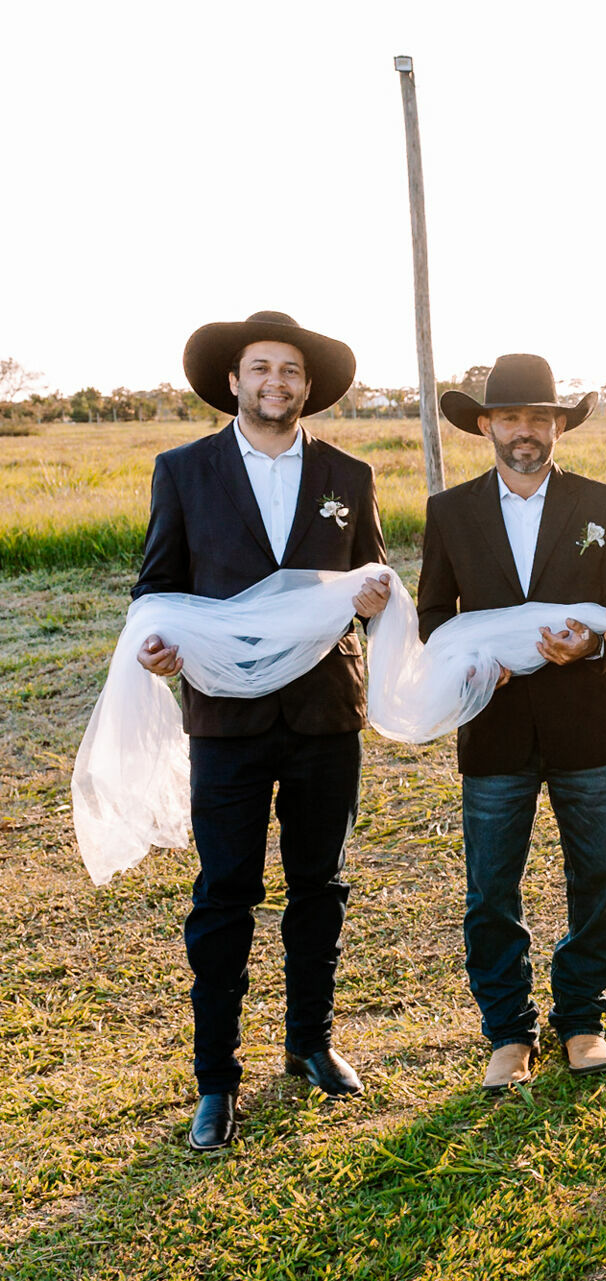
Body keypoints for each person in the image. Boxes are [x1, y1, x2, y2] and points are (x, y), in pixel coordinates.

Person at [136, 311, 390, 1152]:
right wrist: (160, 649)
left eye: (291, 371)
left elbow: (372, 575)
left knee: (320, 887)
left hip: (325, 714)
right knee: (225, 895)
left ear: (307, 387)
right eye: (260, 368)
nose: (276, 382)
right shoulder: (183, 471)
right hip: (226, 720)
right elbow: (158, 587)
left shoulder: (349, 474)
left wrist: (376, 601)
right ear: (234, 380)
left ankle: (310, 1044)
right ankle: (217, 1081)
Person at [418, 354, 606, 1092]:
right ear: (485, 425)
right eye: (511, 417)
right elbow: (432, 620)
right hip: (493, 727)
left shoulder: (601, 502)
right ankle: (508, 1032)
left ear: (558, 427)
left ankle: (581, 1018)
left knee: (597, 876)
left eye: (540, 419)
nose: (526, 432)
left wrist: (587, 646)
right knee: (490, 887)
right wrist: (478, 667)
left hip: (584, 725)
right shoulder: (450, 512)